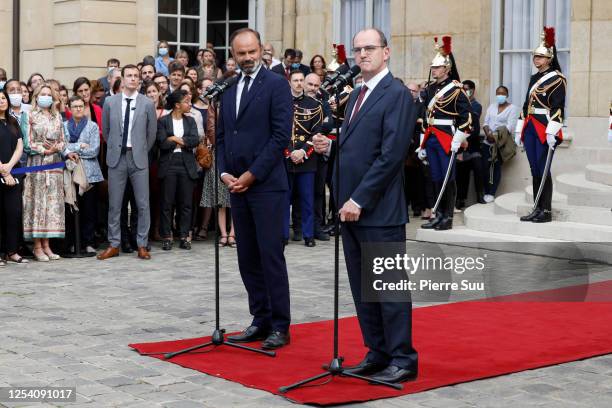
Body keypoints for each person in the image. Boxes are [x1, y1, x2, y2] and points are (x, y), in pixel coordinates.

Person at [312, 28, 418, 384]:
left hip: (378, 210)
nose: (362, 55)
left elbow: (390, 156)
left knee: (388, 287)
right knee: (362, 288)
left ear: (386, 52)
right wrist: (331, 147)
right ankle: (377, 352)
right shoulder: (357, 93)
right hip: (349, 208)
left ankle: (402, 358)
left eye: (369, 48)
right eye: (357, 50)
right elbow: (357, 145)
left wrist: (360, 198)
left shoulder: (397, 94)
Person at [218, 28, 293, 350]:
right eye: (241, 53)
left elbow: (280, 138)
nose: (247, 58)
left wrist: (251, 174)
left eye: (252, 52)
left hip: (266, 187)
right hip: (236, 186)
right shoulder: (228, 87)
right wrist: (224, 172)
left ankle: (280, 325)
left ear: (261, 49)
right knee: (247, 257)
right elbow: (222, 136)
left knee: (270, 256)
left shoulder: (277, 84)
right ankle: (259, 319)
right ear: (232, 55)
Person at [97, 64, 157, 260]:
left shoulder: (147, 103)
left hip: (138, 157)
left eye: (136, 76)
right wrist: (116, 147)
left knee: (143, 204)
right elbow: (106, 131)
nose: (133, 79)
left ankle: (142, 244)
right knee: (115, 204)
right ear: (121, 79)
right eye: (129, 76)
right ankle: (114, 244)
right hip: (116, 158)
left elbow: (151, 134)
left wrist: (139, 149)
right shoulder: (110, 103)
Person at [418, 36, 472, 231]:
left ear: (447, 69)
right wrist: (422, 142)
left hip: (447, 136)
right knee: (435, 177)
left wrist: (458, 138)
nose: (434, 70)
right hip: (432, 136)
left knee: (447, 178)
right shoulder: (431, 88)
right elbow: (426, 116)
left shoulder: (456, 89)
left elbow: (468, 117)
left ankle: (447, 217)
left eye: (438, 67)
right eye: (433, 67)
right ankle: (437, 214)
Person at [515, 27, 566, 223]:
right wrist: (519, 128)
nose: (536, 60)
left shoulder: (558, 79)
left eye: (540, 57)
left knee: (544, 168)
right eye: (535, 56)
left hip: (545, 128)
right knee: (535, 169)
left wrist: (553, 130)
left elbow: (558, 106)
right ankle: (537, 207)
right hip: (530, 126)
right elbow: (526, 104)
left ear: (549, 58)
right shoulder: (534, 78)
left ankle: (546, 211)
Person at [22, 84, 66, 261]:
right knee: (38, 204)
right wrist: (42, 149)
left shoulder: (57, 116)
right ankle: (37, 246)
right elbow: (27, 142)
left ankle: (47, 245)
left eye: (49, 94)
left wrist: (57, 147)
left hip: (54, 165)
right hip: (37, 165)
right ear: (36, 96)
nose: (46, 97)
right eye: (43, 94)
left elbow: (63, 139)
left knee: (51, 206)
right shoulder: (30, 115)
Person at [283, 70, 326, 247]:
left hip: (307, 160)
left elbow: (317, 131)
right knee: (284, 200)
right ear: (290, 82)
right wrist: (290, 152)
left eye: (302, 80)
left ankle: (308, 235)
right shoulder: (281, 103)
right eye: (296, 80)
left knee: (307, 199)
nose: (299, 83)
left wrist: (302, 151)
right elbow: (279, 131)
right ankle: (283, 234)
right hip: (286, 159)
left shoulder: (314, 105)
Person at [157, 90, 200, 250]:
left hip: (186, 164)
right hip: (169, 164)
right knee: (167, 203)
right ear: (177, 105)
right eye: (187, 102)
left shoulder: (191, 121)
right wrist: (177, 141)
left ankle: (184, 236)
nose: (190, 105)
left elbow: (194, 140)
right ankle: (167, 236)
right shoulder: (163, 121)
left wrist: (174, 138)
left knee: (186, 203)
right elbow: (162, 143)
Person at [62, 95, 104, 254]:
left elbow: (94, 150)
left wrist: (73, 150)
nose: (78, 109)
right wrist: (80, 146)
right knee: (72, 209)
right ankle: (74, 242)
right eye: (75, 106)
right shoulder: (64, 126)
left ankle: (88, 242)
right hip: (70, 172)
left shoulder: (92, 126)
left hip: (90, 174)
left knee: (89, 210)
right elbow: (62, 148)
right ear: (70, 109)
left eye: (81, 106)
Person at [199, 80, 235, 246]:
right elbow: (211, 128)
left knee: (236, 195)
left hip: (239, 152)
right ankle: (223, 233)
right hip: (219, 152)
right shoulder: (215, 103)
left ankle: (233, 233)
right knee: (220, 197)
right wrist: (222, 146)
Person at [0, 89, 26, 265]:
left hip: (13, 173)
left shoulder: (13, 121)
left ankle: (11, 251)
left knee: (14, 213)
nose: (1, 101)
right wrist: (2, 169)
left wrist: (9, 167)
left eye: (3, 98)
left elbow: (19, 146)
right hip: (2, 171)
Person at [482, 86, 519, 202]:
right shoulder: (492, 107)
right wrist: (488, 133)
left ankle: (492, 193)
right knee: (485, 168)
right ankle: (486, 192)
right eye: (498, 93)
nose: (500, 95)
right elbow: (485, 122)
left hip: (500, 143)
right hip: (487, 141)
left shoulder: (512, 108)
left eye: (502, 93)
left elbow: (510, 127)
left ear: (507, 95)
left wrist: (495, 136)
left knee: (495, 168)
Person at [455, 79, 484, 209]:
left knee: (479, 169)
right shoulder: (459, 105)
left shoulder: (475, 106)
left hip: (473, 145)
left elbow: (474, 126)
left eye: (467, 89)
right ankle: (460, 199)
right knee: (462, 173)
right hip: (461, 144)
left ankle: (480, 196)